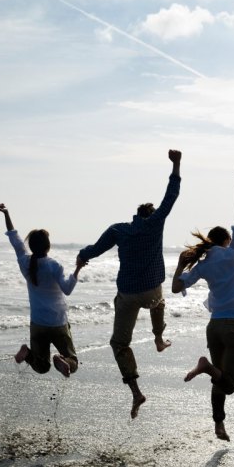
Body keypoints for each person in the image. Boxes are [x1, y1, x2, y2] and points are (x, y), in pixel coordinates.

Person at [76, 150, 181, 419]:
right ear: (151, 215)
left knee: (120, 344)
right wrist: (176, 164)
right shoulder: (156, 224)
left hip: (128, 294)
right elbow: (170, 198)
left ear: (135, 214)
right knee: (158, 301)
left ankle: (135, 391)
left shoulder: (119, 229)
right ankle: (158, 338)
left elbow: (96, 249)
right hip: (151, 291)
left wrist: (82, 256)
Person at [171, 171, 234, 441]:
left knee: (218, 376)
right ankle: (205, 367)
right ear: (227, 241)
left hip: (215, 326)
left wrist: (180, 265)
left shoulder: (203, 264)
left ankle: (219, 425)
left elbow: (175, 287)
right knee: (228, 383)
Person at [0, 203, 85, 378]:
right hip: (58, 321)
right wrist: (78, 269)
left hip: (38, 322)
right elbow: (67, 290)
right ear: (48, 246)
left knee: (41, 366)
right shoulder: (54, 265)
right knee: (72, 362)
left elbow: (14, 238)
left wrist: (6, 213)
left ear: (32, 246)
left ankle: (27, 353)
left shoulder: (25, 262)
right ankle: (62, 361)